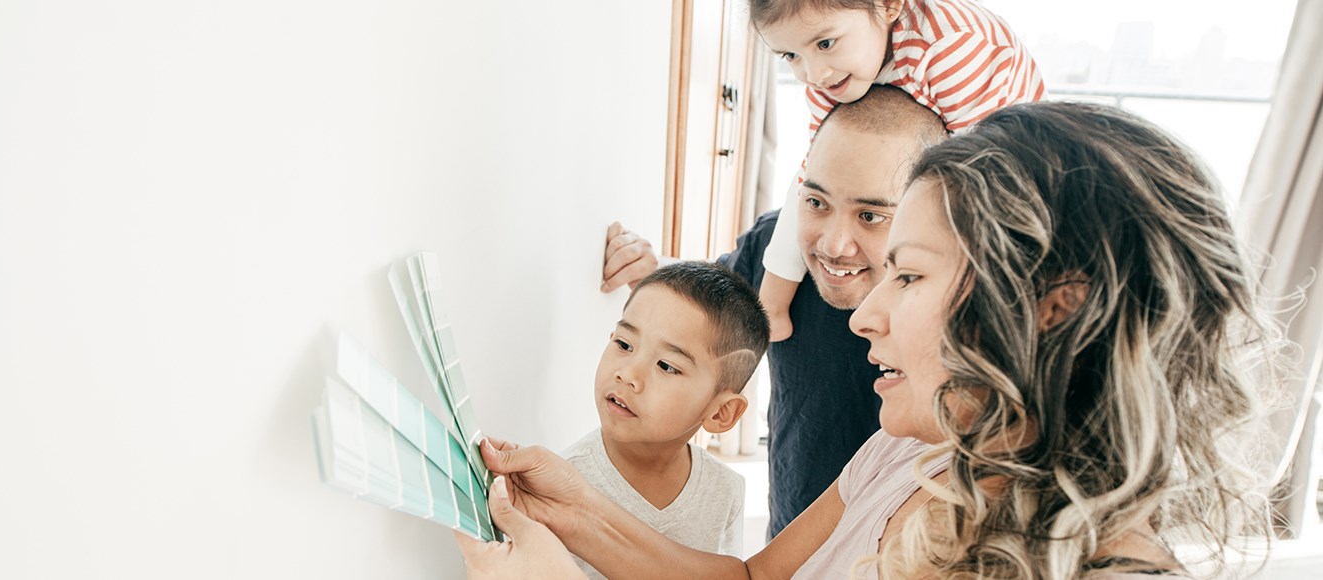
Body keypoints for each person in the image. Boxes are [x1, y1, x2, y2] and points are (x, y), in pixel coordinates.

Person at [458, 101, 1278, 579]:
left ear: (1048, 309)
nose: (862, 316)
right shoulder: (911, 451)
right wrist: (577, 512)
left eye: (909, 276)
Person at [603, 85, 948, 540]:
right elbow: (710, 305)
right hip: (792, 526)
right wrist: (652, 271)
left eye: (870, 216)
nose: (832, 245)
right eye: (816, 202)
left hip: (906, 544)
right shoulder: (773, 250)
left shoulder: (956, 296)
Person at [750, 0, 1044, 345]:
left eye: (825, 44)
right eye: (790, 56)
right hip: (910, 88)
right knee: (817, 175)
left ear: (888, 6)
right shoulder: (830, 73)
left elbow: (977, 180)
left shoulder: (952, 49)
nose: (812, 75)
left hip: (1004, 148)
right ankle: (771, 305)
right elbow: (810, 172)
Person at [562, 261, 768, 578]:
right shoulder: (562, 483)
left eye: (666, 366)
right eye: (623, 344)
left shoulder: (725, 491)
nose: (628, 374)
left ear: (720, 412)